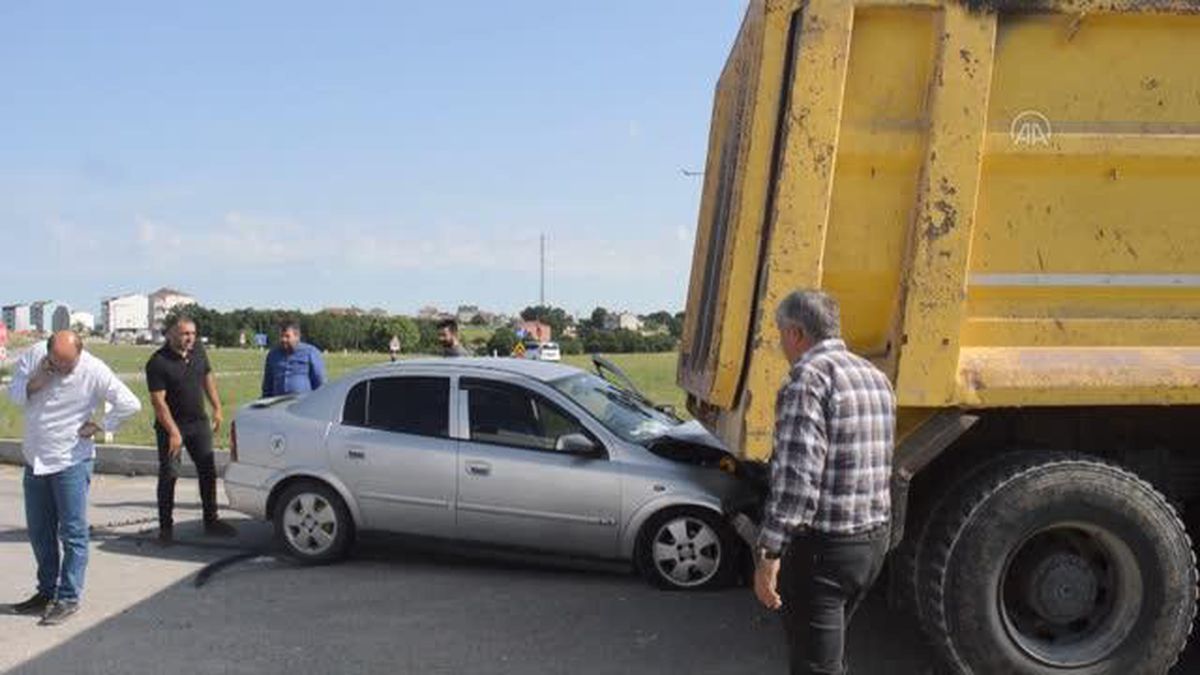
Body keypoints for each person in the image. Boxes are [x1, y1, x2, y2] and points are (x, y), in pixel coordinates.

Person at [753, 290, 896, 675]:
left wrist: (769, 552)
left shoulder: (807, 379)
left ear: (797, 332)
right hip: (871, 543)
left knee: (815, 665)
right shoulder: (875, 377)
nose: (781, 344)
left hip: (824, 552)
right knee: (828, 654)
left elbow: (798, 480)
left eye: (781, 334)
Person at [4, 331, 140, 626]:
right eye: (57, 362)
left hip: (71, 462)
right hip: (35, 460)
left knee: (73, 533)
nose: (63, 368)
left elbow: (130, 403)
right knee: (40, 532)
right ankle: (45, 591)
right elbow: (13, 395)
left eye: (69, 363)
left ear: (80, 353)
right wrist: (37, 380)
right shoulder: (34, 357)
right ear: (48, 351)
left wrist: (102, 424)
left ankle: (68, 597)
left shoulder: (94, 369)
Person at [145, 316, 236, 544]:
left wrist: (217, 408)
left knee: (207, 471)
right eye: (185, 334)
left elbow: (207, 378)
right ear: (171, 334)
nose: (190, 338)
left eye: (193, 334)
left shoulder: (198, 352)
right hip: (171, 427)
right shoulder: (157, 362)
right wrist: (174, 432)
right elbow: (158, 403)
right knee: (169, 475)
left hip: (198, 424)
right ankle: (166, 528)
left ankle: (211, 520)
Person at [261, 321, 326, 397]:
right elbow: (267, 385)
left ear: (297, 336)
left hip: (303, 403)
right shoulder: (272, 355)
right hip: (278, 404)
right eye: (281, 336)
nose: (283, 339)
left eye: (287, 336)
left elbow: (320, 382)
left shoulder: (310, 353)